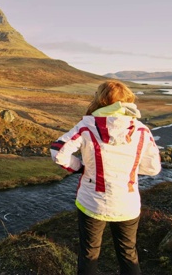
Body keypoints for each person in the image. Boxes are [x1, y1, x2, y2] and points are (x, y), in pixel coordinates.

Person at [50, 80, 161, 275]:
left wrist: (80, 167)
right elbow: (153, 168)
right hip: (127, 203)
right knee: (128, 254)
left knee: (89, 254)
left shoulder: (86, 126)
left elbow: (58, 152)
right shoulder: (142, 130)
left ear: (100, 100)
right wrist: (130, 170)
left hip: (92, 202)